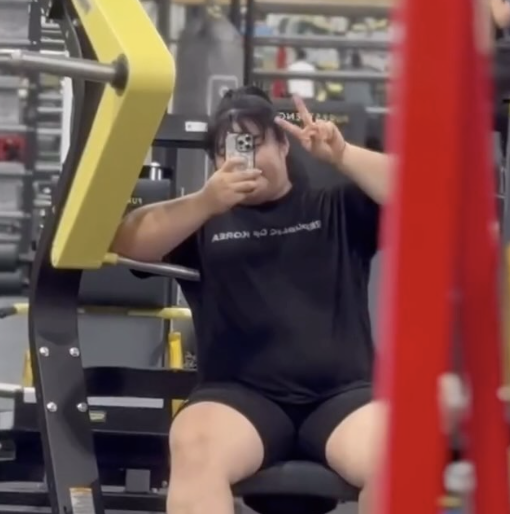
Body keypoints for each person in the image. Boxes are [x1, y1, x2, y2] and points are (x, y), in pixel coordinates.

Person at [112, 86, 459, 514]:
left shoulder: (335, 206)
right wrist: (204, 201)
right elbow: (127, 241)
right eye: (227, 149)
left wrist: (343, 154)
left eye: (254, 142)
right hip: (238, 399)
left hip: (342, 397)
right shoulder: (200, 222)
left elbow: (428, 193)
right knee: (194, 447)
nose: (243, 157)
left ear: (283, 144)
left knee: (399, 457)